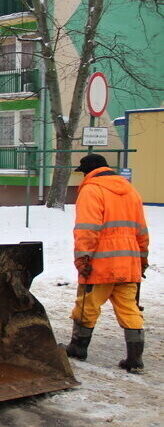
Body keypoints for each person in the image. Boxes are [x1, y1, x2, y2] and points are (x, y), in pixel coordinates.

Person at [65, 154, 149, 373]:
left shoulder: (91, 190)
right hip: (129, 263)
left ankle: (78, 348)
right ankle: (135, 359)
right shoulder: (130, 191)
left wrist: (83, 258)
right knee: (129, 308)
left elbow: (87, 228)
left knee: (87, 305)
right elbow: (142, 230)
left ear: (87, 172)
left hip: (100, 264)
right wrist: (142, 258)